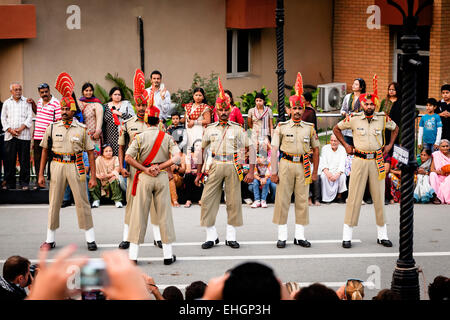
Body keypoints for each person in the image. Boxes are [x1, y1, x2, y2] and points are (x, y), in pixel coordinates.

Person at [125, 69, 181, 265]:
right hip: (162, 178)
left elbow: (127, 157)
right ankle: (167, 255)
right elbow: (177, 157)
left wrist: (145, 168)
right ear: (158, 120)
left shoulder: (139, 137)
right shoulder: (166, 136)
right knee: (164, 215)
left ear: (146, 120)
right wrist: (161, 166)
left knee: (139, 215)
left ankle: (133, 256)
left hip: (144, 177)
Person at [38, 72, 98, 251]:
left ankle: (90, 239)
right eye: (62, 109)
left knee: (83, 202)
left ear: (73, 110)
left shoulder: (82, 129)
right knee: (54, 202)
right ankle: (50, 239)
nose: (64, 112)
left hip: (76, 166)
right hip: (56, 166)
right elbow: (44, 151)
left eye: (67, 109)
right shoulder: (52, 127)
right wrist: (41, 173)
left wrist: (93, 176)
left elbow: (91, 152)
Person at [333, 86, 399, 249]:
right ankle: (346, 236)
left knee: (379, 199)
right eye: (366, 104)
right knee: (354, 198)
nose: (369, 106)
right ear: (362, 104)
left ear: (375, 105)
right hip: (359, 160)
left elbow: (395, 128)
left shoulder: (382, 118)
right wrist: (346, 146)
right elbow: (336, 128)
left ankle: (382, 235)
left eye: (371, 104)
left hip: (377, 160)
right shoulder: (354, 118)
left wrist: (389, 145)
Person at [194, 77, 254, 250]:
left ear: (230, 110)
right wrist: (198, 173)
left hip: (233, 166)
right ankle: (211, 236)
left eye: (226, 110)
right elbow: (201, 152)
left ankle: (231, 237)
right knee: (206, 200)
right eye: (221, 110)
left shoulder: (237, 128)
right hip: (215, 165)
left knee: (233, 202)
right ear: (216, 111)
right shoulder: (209, 129)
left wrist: (250, 171)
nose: (224, 113)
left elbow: (251, 148)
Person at [271, 72, 320, 249]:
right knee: (282, 200)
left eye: (301, 108)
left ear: (303, 109)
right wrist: (273, 171)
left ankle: (300, 236)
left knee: (302, 200)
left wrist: (315, 171)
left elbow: (316, 149)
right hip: (285, 164)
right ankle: (282, 236)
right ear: (289, 109)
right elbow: (274, 149)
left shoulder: (309, 128)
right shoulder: (281, 127)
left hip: (303, 166)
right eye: (295, 108)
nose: (298, 111)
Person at [117, 94, 162, 250]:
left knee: (155, 205)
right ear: (135, 106)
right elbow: (121, 147)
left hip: (154, 169)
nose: (142, 108)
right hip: (134, 170)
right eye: (139, 105)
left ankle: (158, 237)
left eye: (144, 105)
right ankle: (127, 237)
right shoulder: (127, 124)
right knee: (132, 204)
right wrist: (121, 166)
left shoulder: (157, 124)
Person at [1, 82, 33, 190]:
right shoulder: (6, 103)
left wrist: (20, 128)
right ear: (11, 91)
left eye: (20, 89)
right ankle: (9, 183)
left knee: (24, 160)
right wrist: (10, 130)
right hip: (10, 136)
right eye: (16, 90)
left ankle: (24, 183)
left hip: (23, 136)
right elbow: (3, 118)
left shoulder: (26, 102)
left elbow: (29, 117)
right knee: (9, 160)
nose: (18, 91)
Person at [29, 83, 61, 187]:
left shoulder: (56, 103)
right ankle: (40, 181)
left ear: (49, 91)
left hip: (50, 137)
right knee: (38, 160)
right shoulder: (39, 101)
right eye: (42, 92)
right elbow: (38, 113)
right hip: (38, 136)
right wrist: (33, 104)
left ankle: (52, 182)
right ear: (39, 93)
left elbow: (58, 121)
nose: (44, 94)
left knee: (51, 160)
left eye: (46, 92)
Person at [102, 87, 135, 157]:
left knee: (123, 153)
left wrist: (120, 113)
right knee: (111, 155)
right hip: (110, 135)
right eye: (115, 94)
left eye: (119, 95)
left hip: (123, 134)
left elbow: (132, 117)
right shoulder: (105, 106)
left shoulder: (126, 104)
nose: (117, 96)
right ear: (111, 95)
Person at [319, 134, 347, 203]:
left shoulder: (342, 149)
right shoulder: (325, 148)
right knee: (323, 176)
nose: (333, 142)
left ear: (339, 142)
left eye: (335, 141)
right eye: (331, 140)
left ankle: (339, 196)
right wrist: (328, 173)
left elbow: (342, 163)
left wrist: (338, 174)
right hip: (327, 171)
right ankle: (326, 198)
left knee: (342, 177)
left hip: (338, 172)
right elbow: (323, 162)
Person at [78, 82, 103, 158]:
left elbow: (99, 119)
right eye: (86, 90)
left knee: (94, 156)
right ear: (83, 92)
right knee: (82, 158)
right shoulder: (78, 102)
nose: (89, 92)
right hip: (80, 135)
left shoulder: (96, 104)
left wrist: (97, 132)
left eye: (90, 90)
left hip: (93, 136)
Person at [340, 78, 366, 146]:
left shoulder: (365, 98)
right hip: (348, 129)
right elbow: (343, 109)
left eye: (356, 84)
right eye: (353, 84)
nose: (353, 85)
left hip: (360, 129)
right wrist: (344, 113)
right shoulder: (348, 97)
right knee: (348, 150)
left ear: (361, 87)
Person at [182, 139, 204, 207]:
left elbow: (203, 170)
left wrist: (197, 171)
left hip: (200, 174)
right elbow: (188, 169)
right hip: (191, 174)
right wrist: (196, 171)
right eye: (196, 145)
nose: (198, 147)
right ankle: (188, 200)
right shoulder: (189, 155)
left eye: (200, 146)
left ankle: (201, 199)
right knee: (188, 175)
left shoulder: (204, 155)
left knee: (202, 176)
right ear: (193, 147)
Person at [429, 139, 450, 204]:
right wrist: (440, 172)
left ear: (449, 147)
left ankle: (447, 199)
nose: (445, 148)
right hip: (439, 176)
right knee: (432, 174)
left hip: (448, 177)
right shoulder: (436, 155)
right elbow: (432, 169)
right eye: (443, 146)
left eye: (447, 146)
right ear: (439, 147)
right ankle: (436, 197)